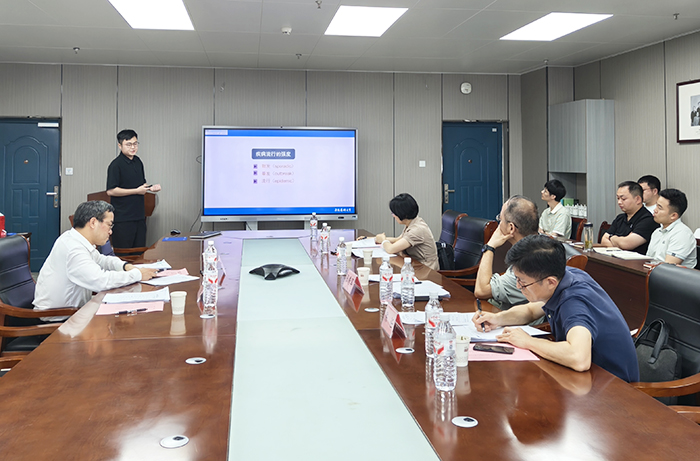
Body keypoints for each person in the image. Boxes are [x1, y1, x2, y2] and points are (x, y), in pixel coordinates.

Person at [473, 235, 640, 382]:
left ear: (550, 282)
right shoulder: (564, 276)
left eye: (522, 282)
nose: (518, 286)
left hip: (614, 388)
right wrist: (497, 319)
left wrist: (528, 341)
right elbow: (531, 311)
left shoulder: (573, 302)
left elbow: (579, 358)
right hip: (590, 379)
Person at [33, 201, 157, 318]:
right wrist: (138, 275)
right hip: (60, 319)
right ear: (93, 222)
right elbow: (101, 281)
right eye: (109, 225)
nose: (111, 231)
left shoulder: (76, 239)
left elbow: (102, 260)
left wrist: (125, 266)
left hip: (75, 312)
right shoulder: (73, 248)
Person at [474, 195, 539, 312]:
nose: (499, 224)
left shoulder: (527, 262)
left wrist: (490, 246)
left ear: (511, 228)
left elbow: (481, 291)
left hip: (511, 320)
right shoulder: (537, 246)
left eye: (500, 219)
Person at [106, 129, 161, 248]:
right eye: (129, 144)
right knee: (124, 253)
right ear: (120, 146)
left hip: (139, 215)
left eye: (135, 144)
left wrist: (151, 188)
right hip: (123, 218)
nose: (133, 147)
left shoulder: (138, 161)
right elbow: (111, 190)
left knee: (140, 251)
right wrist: (136, 191)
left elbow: (141, 185)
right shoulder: (115, 165)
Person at [371, 193, 439, 270]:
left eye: (394, 213)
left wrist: (383, 240)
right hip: (415, 265)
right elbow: (398, 240)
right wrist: (373, 239)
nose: (393, 216)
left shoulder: (417, 230)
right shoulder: (412, 222)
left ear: (402, 214)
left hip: (426, 269)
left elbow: (391, 249)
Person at [601, 181, 657, 254]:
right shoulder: (620, 218)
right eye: (618, 198)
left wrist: (611, 237)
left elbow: (626, 244)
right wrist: (619, 244)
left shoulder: (648, 220)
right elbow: (603, 240)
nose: (619, 202)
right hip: (615, 258)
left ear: (638, 199)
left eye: (623, 199)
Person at [646, 188, 697, 268]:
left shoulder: (682, 234)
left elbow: (668, 268)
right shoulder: (657, 232)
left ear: (673, 216)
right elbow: (648, 260)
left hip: (671, 275)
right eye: (656, 205)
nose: (655, 210)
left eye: (659, 207)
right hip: (652, 273)